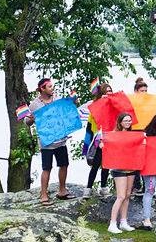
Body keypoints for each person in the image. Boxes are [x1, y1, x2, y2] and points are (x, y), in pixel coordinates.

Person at [27, 77, 73, 205]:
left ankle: (62, 190)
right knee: (47, 168)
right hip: (47, 142)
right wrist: (31, 118)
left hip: (61, 140)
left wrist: (72, 102)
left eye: (52, 86)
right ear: (42, 88)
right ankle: (43, 194)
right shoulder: (35, 104)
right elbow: (27, 122)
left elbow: (66, 113)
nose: (52, 89)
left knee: (64, 164)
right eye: (50, 87)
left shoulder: (57, 99)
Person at [105, 112, 138, 234]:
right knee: (121, 196)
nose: (128, 122)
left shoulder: (133, 135)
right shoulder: (114, 134)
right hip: (119, 168)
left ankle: (123, 222)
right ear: (120, 122)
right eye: (126, 120)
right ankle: (112, 223)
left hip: (131, 167)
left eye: (130, 120)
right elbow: (105, 144)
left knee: (128, 195)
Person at [83, 80, 112, 197]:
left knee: (106, 165)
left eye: (111, 91)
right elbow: (90, 127)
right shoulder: (95, 107)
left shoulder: (113, 106)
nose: (109, 93)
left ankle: (104, 187)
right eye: (107, 91)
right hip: (98, 139)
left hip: (110, 139)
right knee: (95, 164)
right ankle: (88, 188)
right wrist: (87, 144)